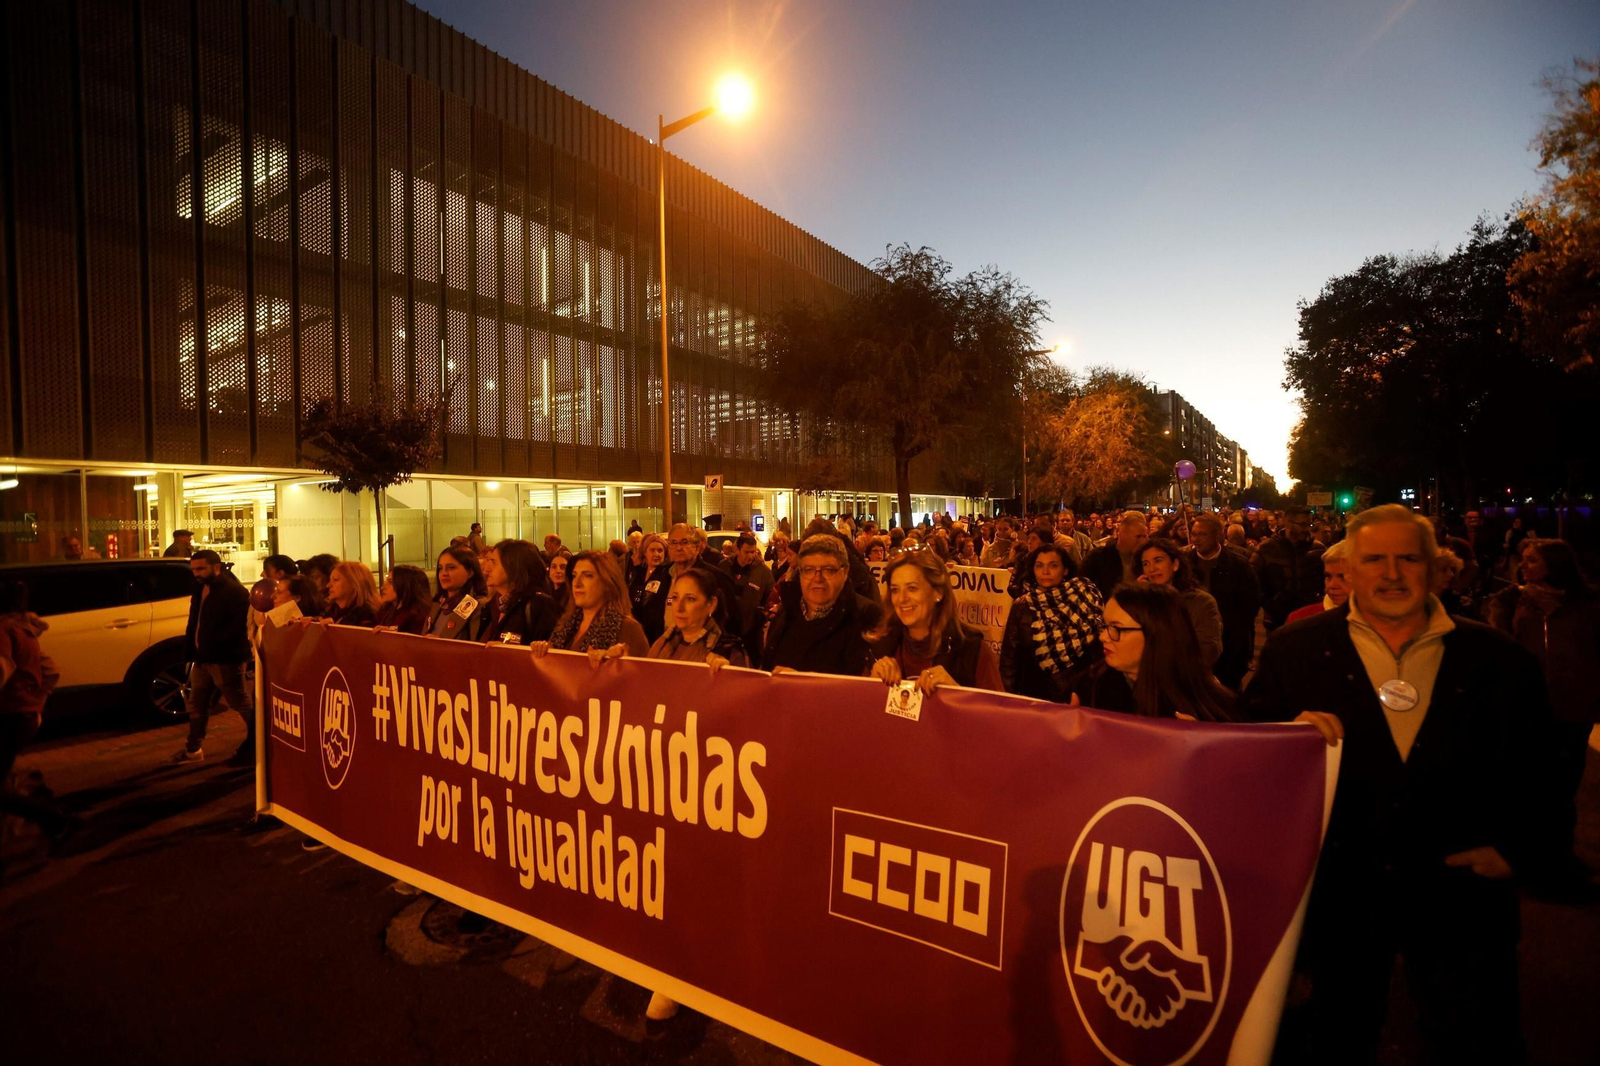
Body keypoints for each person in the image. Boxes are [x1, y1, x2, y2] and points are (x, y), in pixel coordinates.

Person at [1244, 504, 1565, 1065]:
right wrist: (1281, 737)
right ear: (1348, 567)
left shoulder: (1498, 658)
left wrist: (1521, 851)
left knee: (1474, 1038)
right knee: (1335, 1035)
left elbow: (1543, 766)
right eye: (1374, 560)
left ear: (1440, 569)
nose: (1391, 574)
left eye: (1407, 558)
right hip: (1340, 893)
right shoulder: (1294, 651)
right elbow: (1246, 755)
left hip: (1460, 898)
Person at [1487, 537, 1599, 878]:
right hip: (1528, 709)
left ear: (1555, 564)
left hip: (1573, 709)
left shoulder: (1587, 603)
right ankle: (1528, 856)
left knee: (1563, 788)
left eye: (1532, 560)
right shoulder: (1513, 600)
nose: (1524, 566)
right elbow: (1501, 646)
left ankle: (1558, 857)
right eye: (1523, 559)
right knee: (1528, 785)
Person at [1062, 583, 1234, 720]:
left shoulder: (1209, 707)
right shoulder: (1086, 687)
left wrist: (1202, 746)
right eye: (1105, 626)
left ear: (1156, 633)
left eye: (1116, 629)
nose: (1103, 637)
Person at [0, 580, 76, 852]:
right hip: (22, 714)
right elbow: (51, 669)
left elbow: (2, 667)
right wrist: (38, 703)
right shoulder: (23, 630)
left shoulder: (4, 630)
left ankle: (55, 820)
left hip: (9, 714)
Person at [869, 551, 1002, 692]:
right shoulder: (882, 645)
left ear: (938, 592)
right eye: (895, 590)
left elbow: (997, 712)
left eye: (912, 588)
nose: (902, 599)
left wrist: (957, 694)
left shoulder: (972, 650)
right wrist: (871, 685)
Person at [172, 550, 253, 766]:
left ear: (216, 567)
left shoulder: (234, 592)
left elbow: (238, 628)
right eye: (194, 569)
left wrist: (212, 648)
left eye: (201, 568)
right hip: (203, 658)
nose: (196, 573)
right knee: (197, 703)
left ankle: (257, 744)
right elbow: (195, 620)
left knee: (239, 701)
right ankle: (193, 749)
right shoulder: (201, 587)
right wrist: (193, 649)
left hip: (225, 659)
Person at [761, 534, 883, 676]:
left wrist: (804, 684)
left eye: (828, 570)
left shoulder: (865, 616)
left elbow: (862, 686)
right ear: (799, 573)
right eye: (809, 570)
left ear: (845, 572)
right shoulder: (786, 612)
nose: (817, 578)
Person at [999, 544, 1104, 702]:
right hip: (1033, 694)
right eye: (1039, 566)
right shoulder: (1023, 605)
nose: (1045, 572)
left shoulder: (1085, 596)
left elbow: (1097, 653)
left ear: (1066, 569)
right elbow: (1009, 658)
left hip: (1077, 695)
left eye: (1053, 565)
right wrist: (1008, 697)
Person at [1185, 513, 1261, 689]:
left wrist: (1235, 634)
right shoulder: (1185, 563)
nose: (1197, 539)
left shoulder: (1238, 565)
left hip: (1230, 646)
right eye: (1194, 534)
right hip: (1193, 645)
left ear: (1218, 535)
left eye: (1202, 534)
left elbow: (1251, 604)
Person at [530, 552, 650, 659]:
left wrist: (613, 664)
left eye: (587, 575)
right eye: (574, 575)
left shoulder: (628, 628)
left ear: (607, 583)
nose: (576, 583)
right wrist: (543, 650)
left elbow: (643, 678)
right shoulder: (567, 623)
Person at [1137, 537, 1222, 666]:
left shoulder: (1202, 602)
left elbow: (1208, 651)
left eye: (1158, 560)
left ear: (1175, 564)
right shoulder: (1142, 601)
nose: (1151, 569)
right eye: (1146, 564)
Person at [1252, 506, 1324, 630]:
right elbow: (1253, 580)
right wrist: (1270, 604)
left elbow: (1326, 579)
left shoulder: (1317, 549)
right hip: (1278, 619)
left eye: (1309, 524)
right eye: (1302, 524)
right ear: (1288, 523)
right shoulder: (1267, 549)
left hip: (1309, 617)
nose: (1306, 529)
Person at [481, 540, 560, 645]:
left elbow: (547, 653)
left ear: (514, 566)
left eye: (494, 562)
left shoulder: (539, 605)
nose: (487, 569)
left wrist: (509, 652)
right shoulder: (493, 605)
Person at [719, 533, 774, 661]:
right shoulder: (724, 566)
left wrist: (761, 616)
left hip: (751, 629)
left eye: (753, 552)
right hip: (726, 628)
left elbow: (770, 598)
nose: (751, 556)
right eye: (746, 552)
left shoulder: (763, 572)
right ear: (737, 550)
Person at [1083, 512, 1148, 599]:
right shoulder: (1099, 557)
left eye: (1145, 537)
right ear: (1121, 534)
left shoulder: (1147, 559)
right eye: (1138, 537)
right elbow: (1083, 587)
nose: (1143, 541)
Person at [429, 545, 489, 640]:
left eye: (451, 567)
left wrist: (441, 645)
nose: (444, 573)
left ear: (470, 572)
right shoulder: (438, 603)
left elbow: (475, 650)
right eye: (440, 568)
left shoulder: (477, 605)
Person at [1286, 537, 1351, 624]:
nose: (1332, 585)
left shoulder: (1373, 624)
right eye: (1328, 576)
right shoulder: (1300, 619)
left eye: (1342, 577)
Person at [629, 533, 673, 644]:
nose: (656, 554)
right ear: (645, 552)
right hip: (637, 629)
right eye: (652, 550)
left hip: (656, 632)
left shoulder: (667, 574)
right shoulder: (639, 572)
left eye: (660, 551)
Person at [374, 565, 433, 635]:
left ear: (406, 585)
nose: (383, 587)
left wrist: (391, 631)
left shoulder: (418, 616)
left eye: (391, 582)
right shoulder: (387, 609)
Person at [320, 561, 379, 627]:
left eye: (335, 580)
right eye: (330, 580)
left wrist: (335, 630)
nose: (328, 585)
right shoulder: (333, 611)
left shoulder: (367, 616)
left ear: (355, 583)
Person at [547, 549, 573, 614]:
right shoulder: (546, 593)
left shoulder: (573, 597)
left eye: (563, 567)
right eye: (554, 567)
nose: (558, 571)